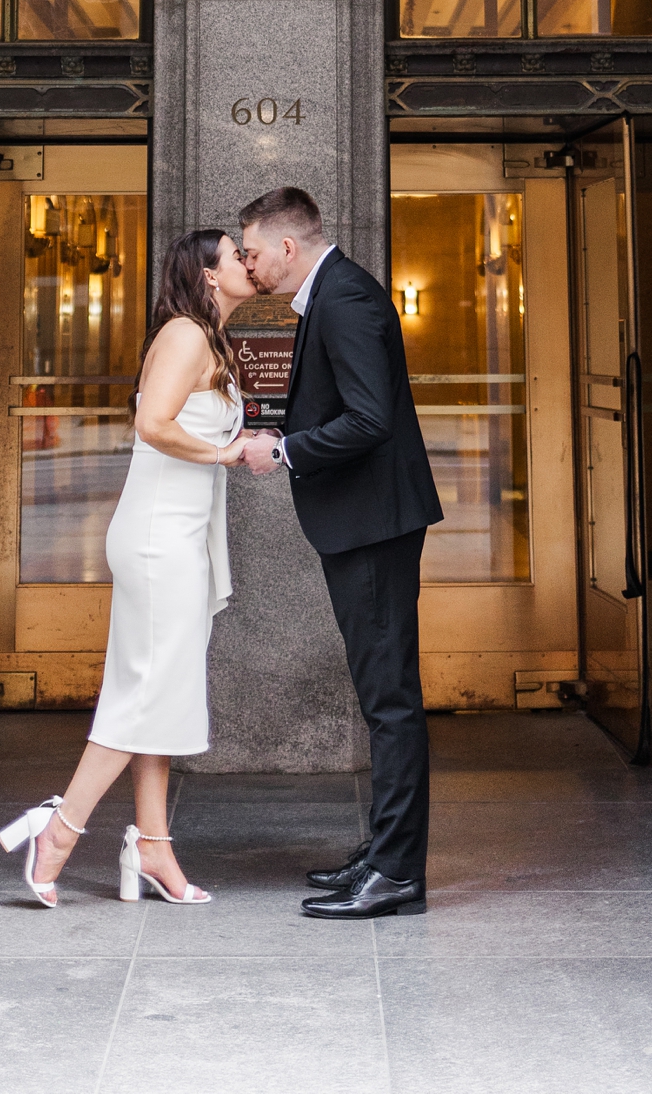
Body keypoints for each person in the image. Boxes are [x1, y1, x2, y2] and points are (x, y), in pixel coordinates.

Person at [0, 229, 253, 906]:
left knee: (160, 690)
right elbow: (155, 426)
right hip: (157, 537)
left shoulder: (210, 338)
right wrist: (230, 453)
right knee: (144, 693)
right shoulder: (186, 335)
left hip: (181, 535)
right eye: (234, 254)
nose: (246, 262)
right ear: (206, 276)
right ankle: (60, 829)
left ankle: (153, 845)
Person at [238, 185, 442, 920]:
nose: (250, 266)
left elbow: (369, 421)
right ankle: (383, 854)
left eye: (254, 252)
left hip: (374, 526)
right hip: (364, 523)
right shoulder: (331, 294)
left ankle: (396, 872)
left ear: (288, 248)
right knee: (381, 696)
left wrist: (284, 451)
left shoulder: (346, 298)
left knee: (390, 703)